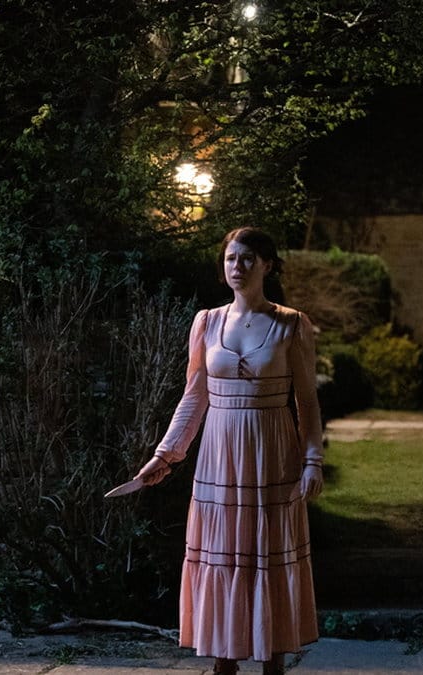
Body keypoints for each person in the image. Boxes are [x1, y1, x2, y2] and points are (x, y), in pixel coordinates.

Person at [136, 227, 324, 675]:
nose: (237, 266)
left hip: (271, 452)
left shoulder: (291, 324)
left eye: (248, 258)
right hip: (219, 455)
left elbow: (307, 401)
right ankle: (224, 657)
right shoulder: (207, 322)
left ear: (267, 265)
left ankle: (273, 658)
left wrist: (313, 461)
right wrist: (167, 454)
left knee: (267, 549)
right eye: (231, 258)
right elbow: (194, 396)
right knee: (222, 549)